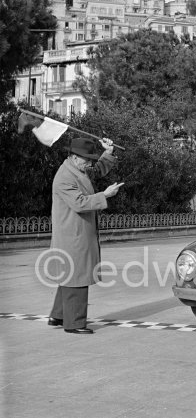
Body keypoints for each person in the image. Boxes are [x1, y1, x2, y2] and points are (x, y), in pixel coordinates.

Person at [47, 137, 123, 335]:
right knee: (77, 277)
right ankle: (74, 323)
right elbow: (79, 203)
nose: (89, 163)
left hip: (76, 233)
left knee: (70, 275)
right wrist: (104, 195)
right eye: (87, 159)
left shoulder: (75, 169)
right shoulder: (65, 177)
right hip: (73, 236)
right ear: (73, 157)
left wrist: (108, 152)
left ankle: (59, 315)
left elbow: (97, 171)